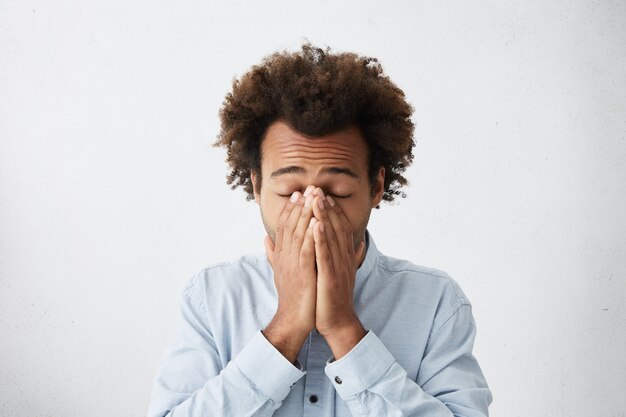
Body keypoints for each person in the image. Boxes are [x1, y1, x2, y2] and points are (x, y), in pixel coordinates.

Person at [147, 43, 492, 417]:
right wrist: (285, 328)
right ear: (257, 186)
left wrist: (345, 330)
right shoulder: (212, 298)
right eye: (288, 191)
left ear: (376, 188)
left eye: (336, 192)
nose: (312, 209)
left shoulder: (437, 303)